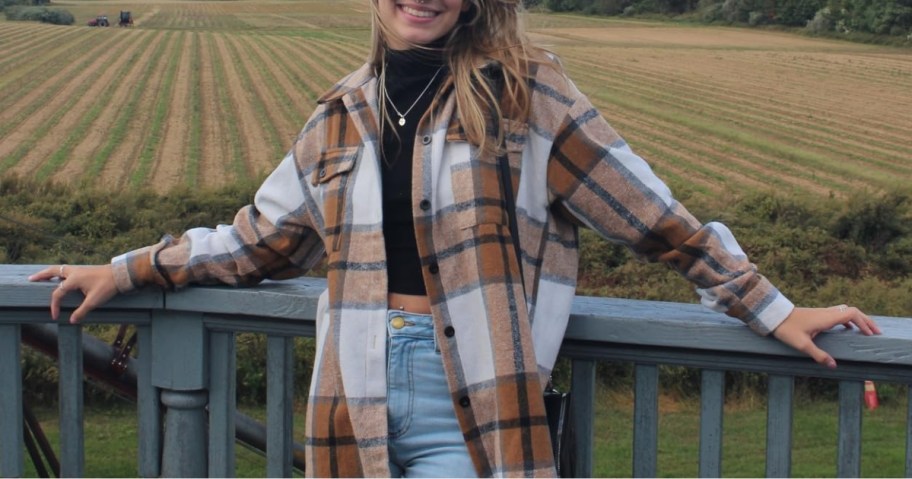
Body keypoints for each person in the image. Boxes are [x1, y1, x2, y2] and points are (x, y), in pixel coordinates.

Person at [30, 0, 881, 477]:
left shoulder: (526, 94)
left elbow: (652, 215)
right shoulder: (338, 113)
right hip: (347, 397)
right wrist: (130, 266)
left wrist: (770, 306)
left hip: (469, 398)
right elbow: (259, 241)